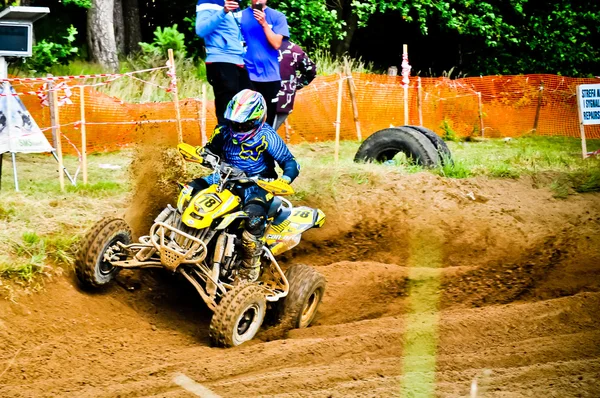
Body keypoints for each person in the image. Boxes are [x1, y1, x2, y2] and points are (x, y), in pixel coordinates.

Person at [189, 89, 300, 281]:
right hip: (224, 177)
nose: (238, 127)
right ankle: (179, 237)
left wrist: (284, 180)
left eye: (244, 123)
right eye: (235, 122)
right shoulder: (223, 130)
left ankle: (250, 268)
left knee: (253, 218)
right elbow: (209, 150)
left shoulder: (267, 135)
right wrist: (201, 155)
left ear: (257, 119)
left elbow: (290, 163)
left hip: (257, 184)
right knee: (191, 190)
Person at [196, 0, 252, 125]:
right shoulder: (208, 2)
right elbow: (200, 30)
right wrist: (223, 11)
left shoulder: (237, 5)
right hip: (220, 60)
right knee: (227, 111)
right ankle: (223, 143)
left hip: (240, 61)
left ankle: (242, 143)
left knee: (247, 105)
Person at [240, 0, 289, 126]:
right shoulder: (240, 16)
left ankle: (265, 145)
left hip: (270, 76)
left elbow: (276, 44)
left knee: (268, 119)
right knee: (246, 118)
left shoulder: (278, 17)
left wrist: (264, 24)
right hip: (246, 74)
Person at [273, 41, 317, 131]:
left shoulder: (254, 45)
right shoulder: (293, 48)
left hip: (257, 100)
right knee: (267, 134)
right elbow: (311, 70)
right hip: (283, 100)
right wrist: (295, 84)